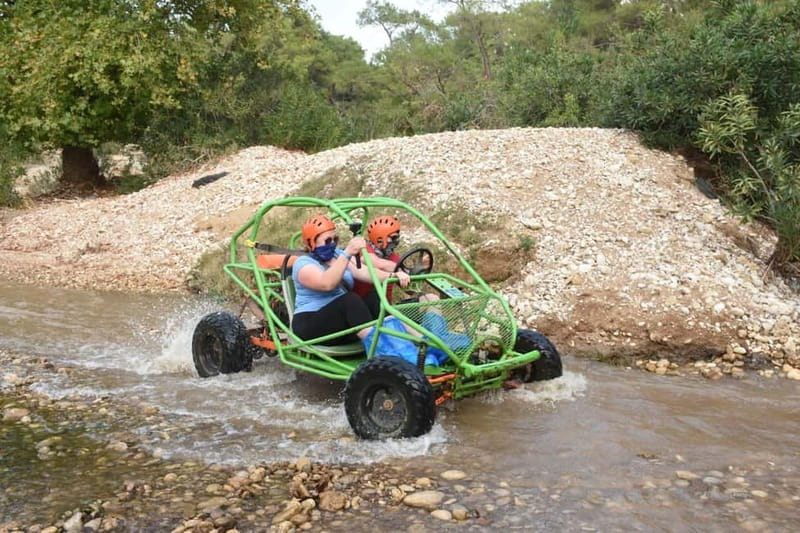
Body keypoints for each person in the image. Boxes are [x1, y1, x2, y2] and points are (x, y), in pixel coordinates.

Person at [291, 215, 410, 345]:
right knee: (350, 300)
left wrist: (393, 276)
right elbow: (327, 283)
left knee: (374, 298)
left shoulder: (337, 255)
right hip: (311, 323)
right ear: (311, 243)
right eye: (327, 240)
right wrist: (347, 253)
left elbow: (365, 272)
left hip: (339, 322)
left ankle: (403, 340)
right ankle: (381, 347)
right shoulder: (303, 263)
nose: (332, 244)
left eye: (335, 239)